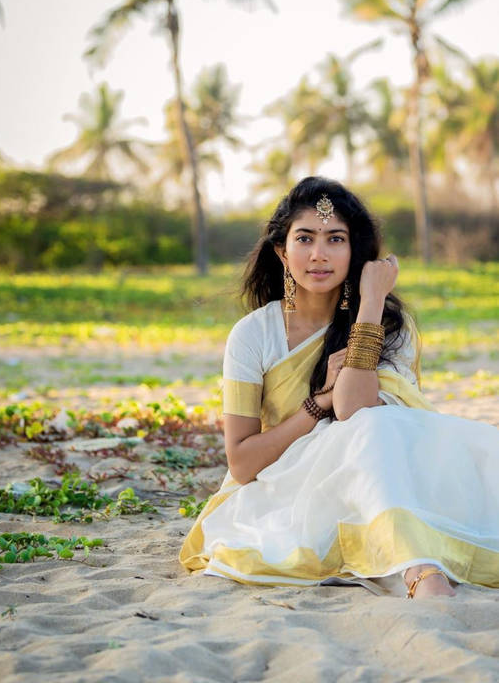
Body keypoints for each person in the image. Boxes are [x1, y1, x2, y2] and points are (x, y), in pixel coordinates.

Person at [180, 177, 499, 599]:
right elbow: (241, 464)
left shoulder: (390, 327)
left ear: (355, 252)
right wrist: (317, 404)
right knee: (369, 430)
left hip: (377, 476)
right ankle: (421, 570)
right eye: (305, 238)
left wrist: (369, 308)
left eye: (335, 239)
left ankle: (417, 566)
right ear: (282, 251)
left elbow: (356, 408)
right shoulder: (253, 336)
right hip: (288, 487)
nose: (319, 254)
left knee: (414, 434)